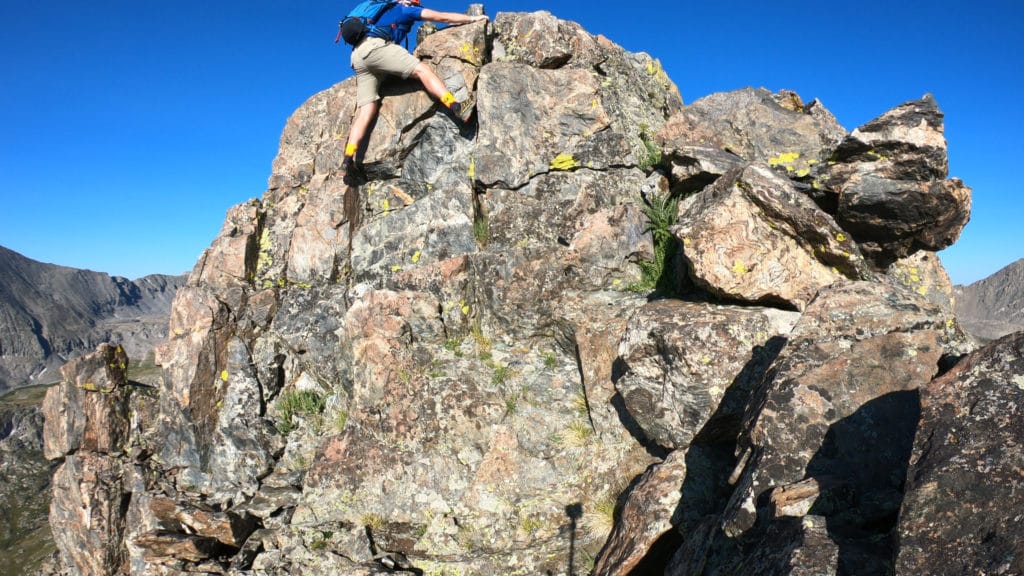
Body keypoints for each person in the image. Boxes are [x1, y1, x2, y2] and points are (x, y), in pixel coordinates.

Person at [341, 0, 488, 184]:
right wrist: (472, 18)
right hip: (375, 49)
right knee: (422, 70)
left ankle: (348, 159)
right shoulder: (404, 10)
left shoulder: (382, 11)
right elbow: (441, 17)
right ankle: (456, 106)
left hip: (357, 58)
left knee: (366, 109)